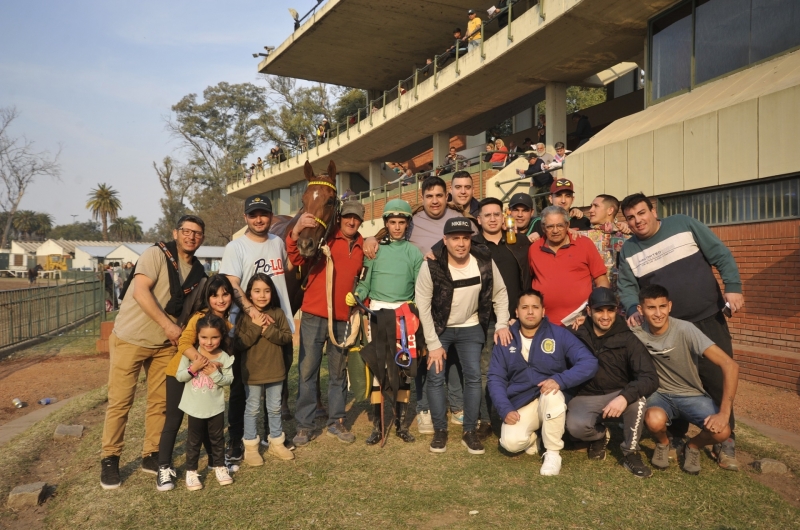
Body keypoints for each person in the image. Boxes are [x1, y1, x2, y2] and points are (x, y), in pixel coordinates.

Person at [619, 192, 744, 470]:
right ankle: (676, 437)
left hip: (707, 317)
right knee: (674, 382)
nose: (637, 221)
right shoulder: (628, 249)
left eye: (641, 213)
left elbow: (720, 254)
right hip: (667, 327)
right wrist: (631, 308)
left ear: (652, 210)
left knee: (716, 378)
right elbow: (627, 287)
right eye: (630, 218)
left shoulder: (683, 224)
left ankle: (726, 440)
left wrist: (733, 286)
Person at [100, 214, 206, 490]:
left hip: (164, 347)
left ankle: (152, 453)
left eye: (197, 233)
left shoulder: (199, 273)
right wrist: (168, 326)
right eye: (186, 231)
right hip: (131, 338)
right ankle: (110, 457)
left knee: (160, 403)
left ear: (202, 239)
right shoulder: (155, 254)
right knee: (121, 401)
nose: (191, 236)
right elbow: (140, 292)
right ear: (176, 232)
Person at [416, 217, 511, 455]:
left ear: (471, 240)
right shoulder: (431, 265)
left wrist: (501, 324)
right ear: (445, 240)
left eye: (465, 238)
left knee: (473, 377)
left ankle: (470, 430)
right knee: (436, 377)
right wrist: (433, 343)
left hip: (471, 327)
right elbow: (423, 306)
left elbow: (500, 292)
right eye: (455, 238)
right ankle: (440, 430)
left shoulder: (483, 261)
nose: (461, 244)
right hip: (440, 328)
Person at [219, 195, 295, 468]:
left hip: (278, 322)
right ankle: (240, 441)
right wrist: (253, 312)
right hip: (247, 326)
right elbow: (232, 283)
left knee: (277, 382)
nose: (259, 219)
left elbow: (288, 270)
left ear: (271, 216)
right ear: (245, 218)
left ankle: (274, 438)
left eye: (264, 214)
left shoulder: (278, 243)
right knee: (244, 390)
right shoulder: (235, 247)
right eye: (253, 215)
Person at [488, 289, 598, 475]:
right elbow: (495, 377)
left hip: (550, 396)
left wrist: (560, 380)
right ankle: (536, 438)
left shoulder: (559, 334)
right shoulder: (506, 339)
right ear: (516, 312)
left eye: (535, 307)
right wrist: (505, 409)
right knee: (510, 443)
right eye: (525, 307)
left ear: (543, 311)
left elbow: (589, 362)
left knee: (552, 394)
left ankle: (553, 453)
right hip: (522, 401)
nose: (530, 312)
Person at [633, 284, 739, 475]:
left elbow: (730, 365)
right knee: (653, 420)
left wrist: (724, 413)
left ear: (670, 306)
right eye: (651, 308)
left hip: (691, 394)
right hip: (660, 395)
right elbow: (607, 330)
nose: (658, 313)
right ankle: (664, 444)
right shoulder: (636, 332)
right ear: (640, 309)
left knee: (723, 432)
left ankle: (692, 446)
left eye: (662, 306)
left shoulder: (685, 329)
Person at [287, 202, 365, 446]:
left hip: (343, 319)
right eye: (348, 217)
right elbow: (296, 255)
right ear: (340, 218)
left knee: (338, 373)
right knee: (308, 371)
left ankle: (337, 421)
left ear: (361, 222)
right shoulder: (325, 239)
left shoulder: (364, 245)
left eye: (357, 219)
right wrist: (295, 232)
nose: (352, 222)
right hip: (313, 315)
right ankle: (304, 425)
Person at [350, 199, 424, 444]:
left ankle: (401, 424)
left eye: (401, 222)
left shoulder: (414, 252)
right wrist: (358, 295)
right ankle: (378, 426)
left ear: (407, 224)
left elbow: (418, 288)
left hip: (404, 315)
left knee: (402, 369)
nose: (397, 227)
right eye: (392, 222)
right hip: (377, 314)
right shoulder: (375, 250)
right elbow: (365, 283)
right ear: (386, 224)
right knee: (378, 369)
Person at [566, 287, 659, 478]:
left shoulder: (628, 338)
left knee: (637, 401)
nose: (605, 316)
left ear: (617, 310)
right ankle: (600, 436)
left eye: (610, 310)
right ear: (589, 311)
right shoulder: (575, 334)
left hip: (618, 394)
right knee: (574, 427)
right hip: (586, 395)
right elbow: (545, 335)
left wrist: (625, 397)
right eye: (599, 310)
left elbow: (649, 377)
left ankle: (631, 453)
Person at [156, 274, 234, 492]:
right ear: (207, 297)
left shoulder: (227, 322)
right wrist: (203, 363)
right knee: (174, 420)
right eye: (215, 295)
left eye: (225, 294)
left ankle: (215, 462)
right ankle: (163, 468)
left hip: (205, 381)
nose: (220, 299)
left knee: (208, 418)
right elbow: (183, 342)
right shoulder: (200, 317)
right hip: (180, 374)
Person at [235, 273, 295, 464]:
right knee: (252, 409)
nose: (262, 295)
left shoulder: (277, 313)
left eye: (266, 291)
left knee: (275, 408)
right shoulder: (245, 317)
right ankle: (251, 447)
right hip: (252, 373)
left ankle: (277, 442)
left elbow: (286, 337)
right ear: (249, 295)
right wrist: (256, 326)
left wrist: (268, 330)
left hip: (275, 371)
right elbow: (240, 343)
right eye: (257, 291)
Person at [174, 314, 235, 491]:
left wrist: (214, 374)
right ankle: (191, 472)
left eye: (214, 337)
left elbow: (229, 380)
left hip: (215, 407)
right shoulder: (191, 354)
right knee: (194, 441)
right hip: (194, 407)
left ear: (221, 336)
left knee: (217, 438)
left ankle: (219, 467)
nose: (209, 342)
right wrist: (194, 368)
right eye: (204, 337)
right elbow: (180, 376)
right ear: (197, 336)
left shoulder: (224, 357)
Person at [528, 206, 610, 327]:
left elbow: (601, 279)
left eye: (560, 225)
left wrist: (597, 309)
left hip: (581, 322)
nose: (555, 230)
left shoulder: (584, 244)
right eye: (550, 226)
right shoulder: (534, 249)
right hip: (544, 324)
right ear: (543, 228)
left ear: (567, 225)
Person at [584, 194, 630, 299]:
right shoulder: (582, 237)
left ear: (610, 210)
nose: (590, 210)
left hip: (623, 301)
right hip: (593, 301)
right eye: (591, 206)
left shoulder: (628, 237)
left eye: (596, 206)